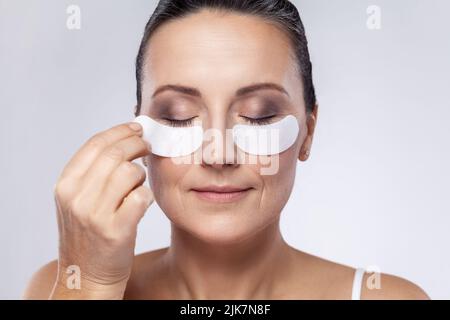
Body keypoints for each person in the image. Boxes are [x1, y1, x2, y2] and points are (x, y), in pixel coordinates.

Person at [23, 0, 429, 299]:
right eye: (179, 117)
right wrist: (92, 285)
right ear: (139, 134)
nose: (219, 154)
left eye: (258, 116)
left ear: (307, 131)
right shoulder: (58, 288)